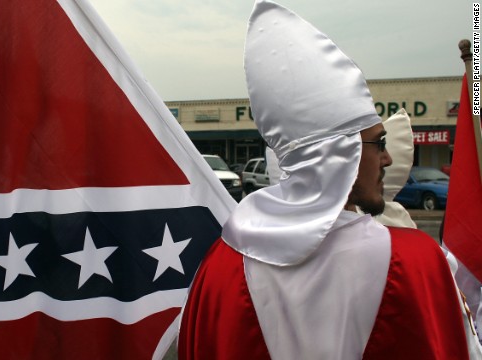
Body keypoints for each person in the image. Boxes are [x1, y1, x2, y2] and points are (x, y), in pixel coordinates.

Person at [178, 1, 481, 359]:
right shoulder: (417, 262)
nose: (386, 158)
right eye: (378, 143)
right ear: (339, 156)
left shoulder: (219, 268)